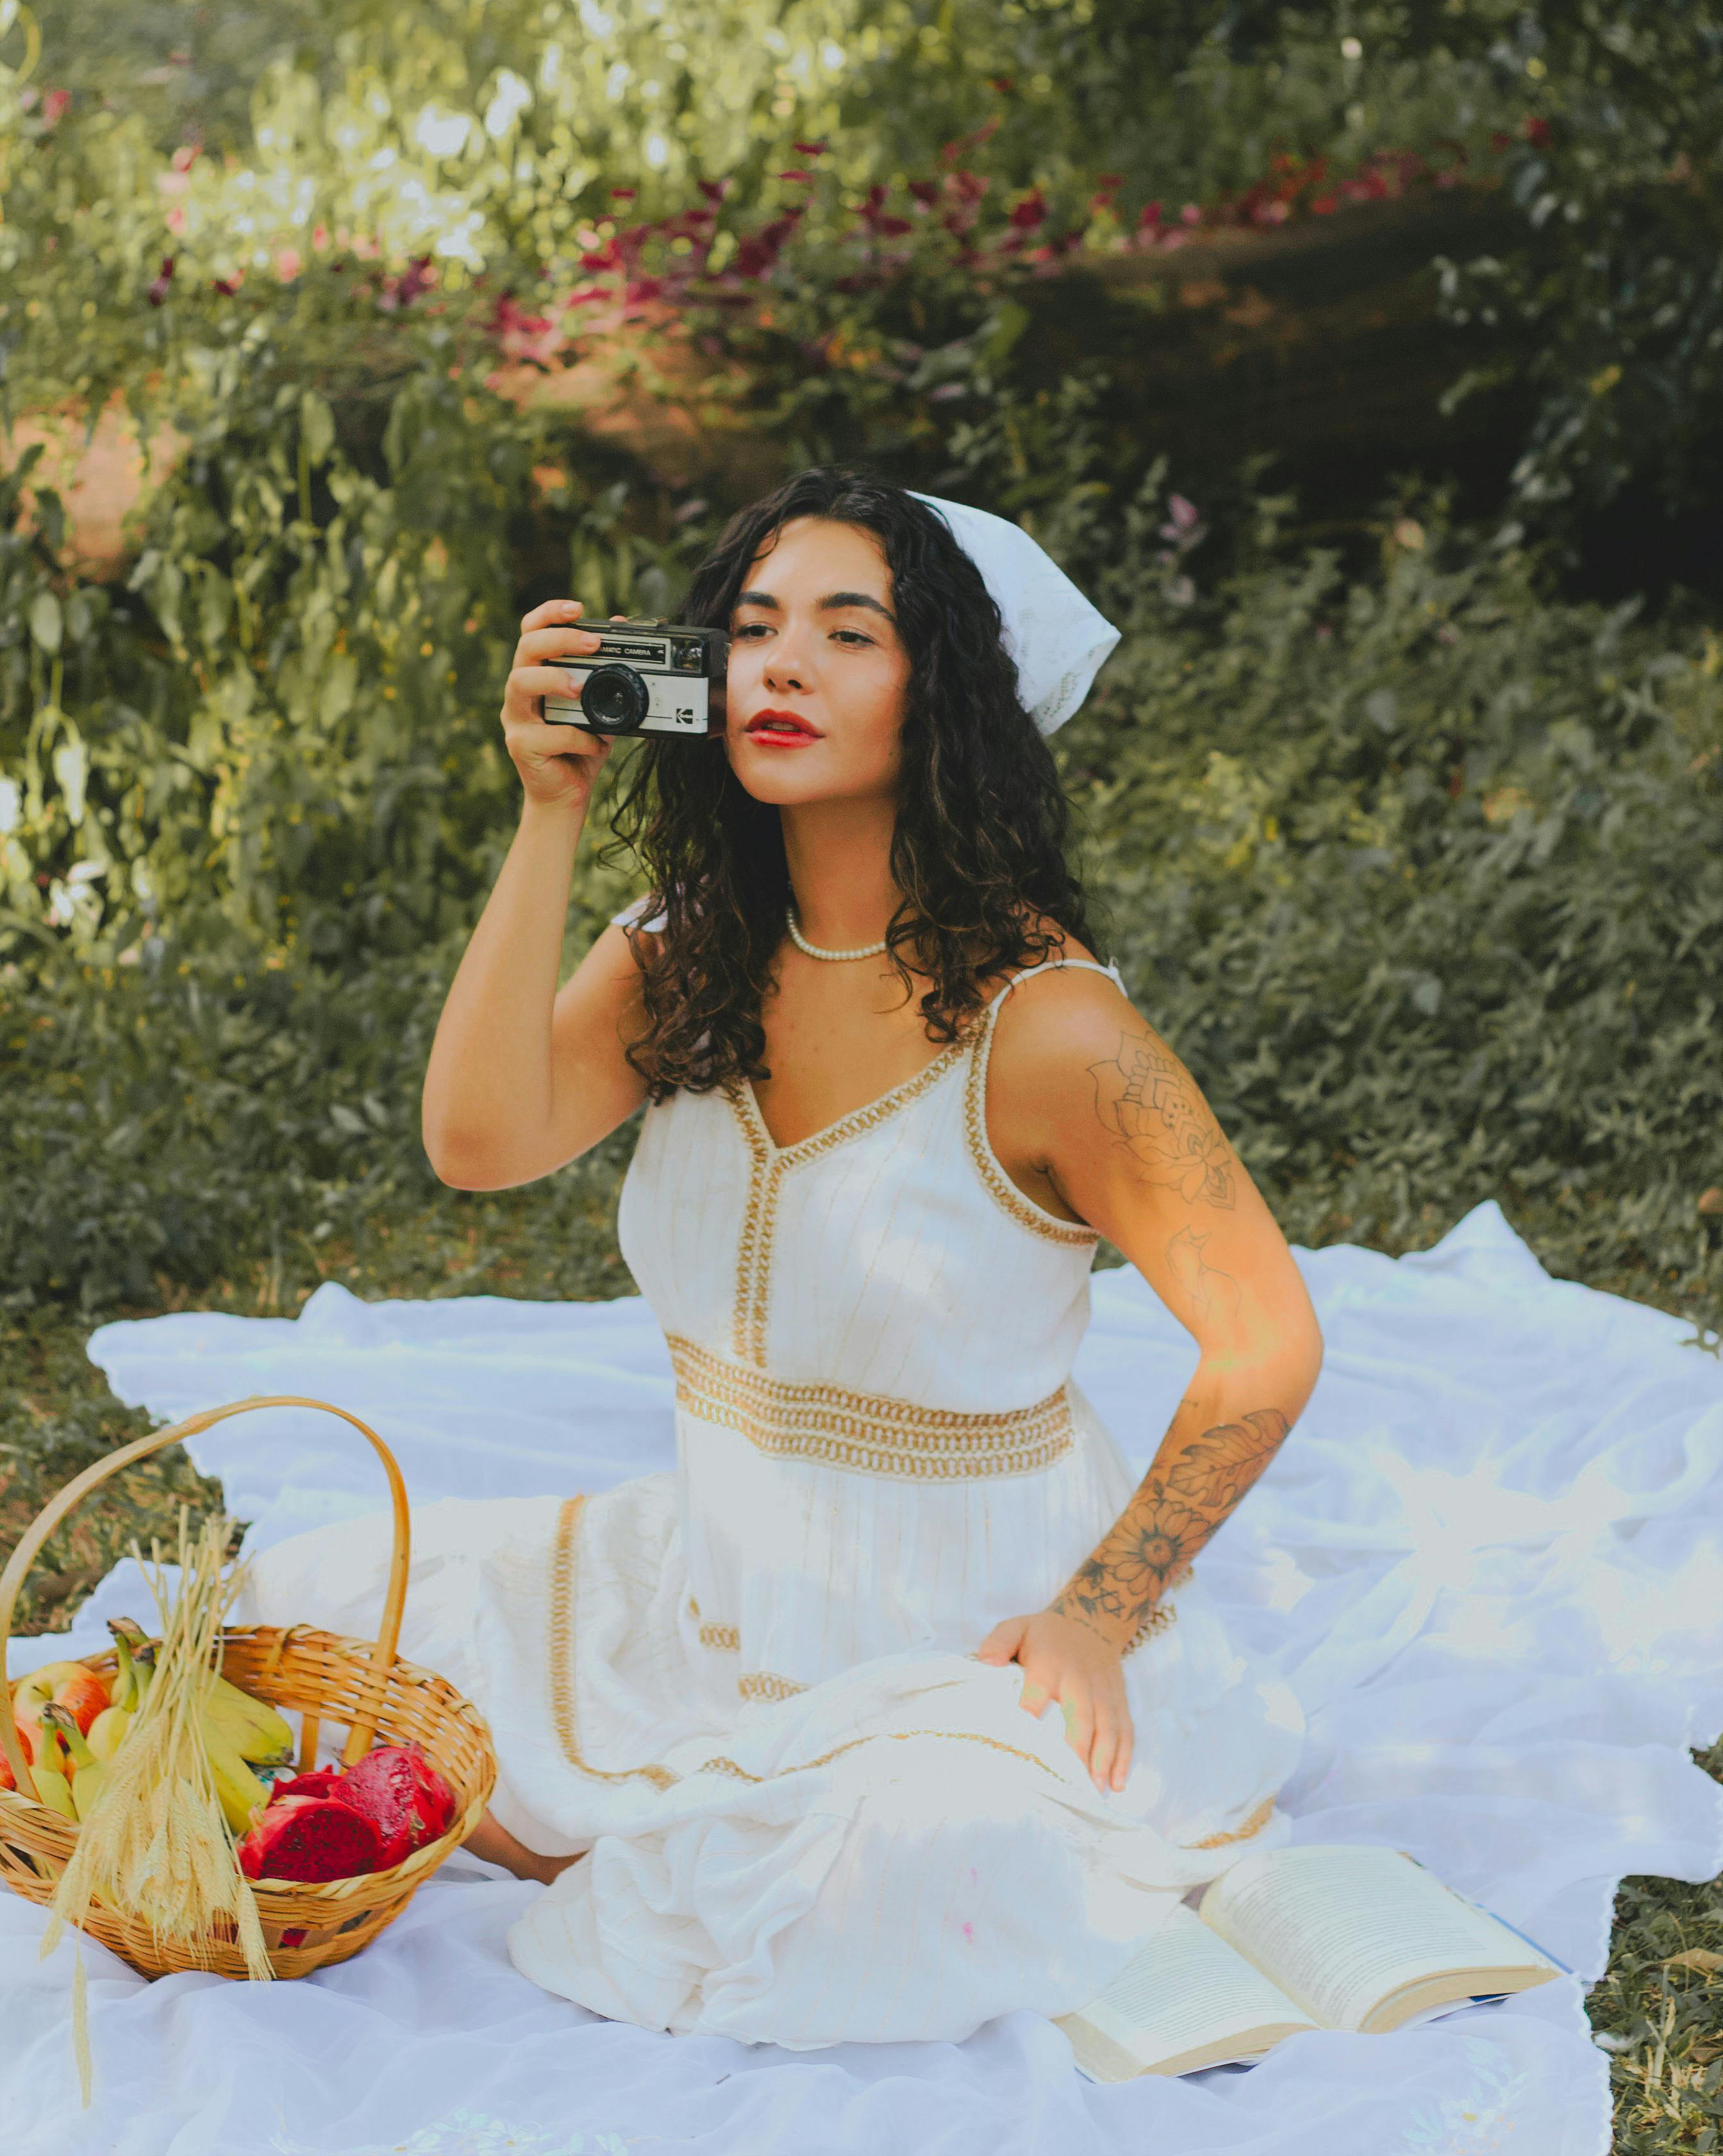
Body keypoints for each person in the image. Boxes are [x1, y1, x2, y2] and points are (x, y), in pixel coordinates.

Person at [233, 467, 1324, 2047]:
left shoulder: (1057, 1031)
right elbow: (476, 1144)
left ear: (947, 694)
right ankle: (641, 1795)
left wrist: (1099, 1613)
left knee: (841, 1888)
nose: (782, 667)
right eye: (751, 630)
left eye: (849, 632)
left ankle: (685, 1821)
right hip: (710, 1591)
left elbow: (1267, 1341)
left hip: (967, 1641)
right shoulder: (687, 947)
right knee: (304, 1621)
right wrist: (550, 813)